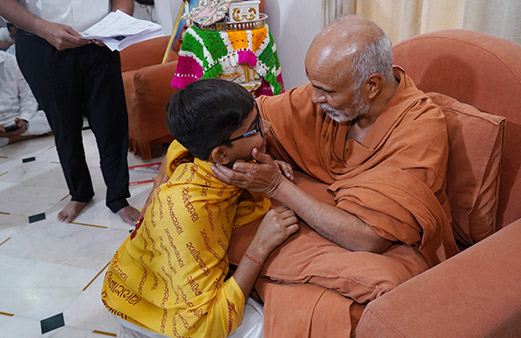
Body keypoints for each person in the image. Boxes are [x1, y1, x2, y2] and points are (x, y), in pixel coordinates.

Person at [146, 15, 459, 336]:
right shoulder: (325, 103)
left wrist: (275, 185)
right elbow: (244, 120)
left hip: (371, 241)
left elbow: (369, 238)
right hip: (317, 217)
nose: (313, 98)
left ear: (372, 85)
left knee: (318, 309)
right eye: (313, 85)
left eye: (326, 91)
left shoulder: (419, 128)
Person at [101, 78, 299, 338]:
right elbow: (207, 326)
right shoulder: (192, 213)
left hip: (137, 292)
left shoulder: (193, 153)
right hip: (152, 318)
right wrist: (259, 247)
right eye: (255, 129)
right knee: (265, 326)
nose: (268, 130)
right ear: (220, 155)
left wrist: (267, 161)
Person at [0, 0, 141, 225]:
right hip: (41, 43)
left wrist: (117, 20)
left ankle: (118, 197)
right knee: (63, 126)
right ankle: (79, 193)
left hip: (99, 42)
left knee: (111, 123)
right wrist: (41, 27)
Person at [0, 50, 51, 146]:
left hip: (18, 117)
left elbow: (28, 96)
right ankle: (21, 136)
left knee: (52, 118)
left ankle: (9, 138)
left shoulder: (10, 60)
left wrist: (24, 119)